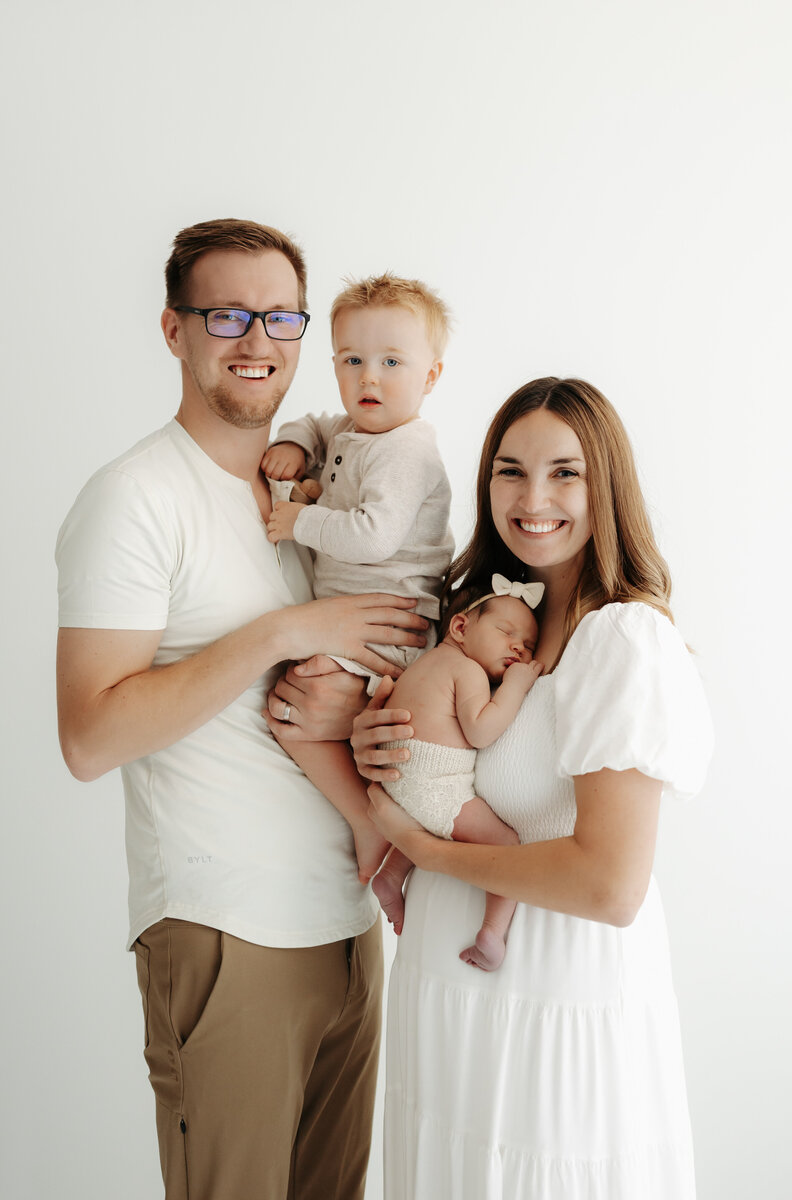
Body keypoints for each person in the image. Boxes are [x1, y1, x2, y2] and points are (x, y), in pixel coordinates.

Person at [55, 218, 430, 1200]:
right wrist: (277, 635)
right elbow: (89, 737)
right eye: (225, 313)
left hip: (347, 929)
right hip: (226, 930)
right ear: (174, 330)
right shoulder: (134, 498)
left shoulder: (311, 491)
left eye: (279, 316)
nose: (255, 340)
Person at [352, 377, 713, 1200]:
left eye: (565, 473)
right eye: (509, 471)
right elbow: (453, 760)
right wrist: (385, 742)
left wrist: (423, 849)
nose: (533, 497)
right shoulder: (480, 619)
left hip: (553, 1003)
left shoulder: (619, 637)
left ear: (607, 486)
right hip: (449, 998)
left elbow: (609, 885)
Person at [262, 273, 454, 882]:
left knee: (292, 712)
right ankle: (372, 818)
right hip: (355, 616)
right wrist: (294, 442)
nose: (368, 377)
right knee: (304, 705)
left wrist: (301, 520)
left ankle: (369, 822)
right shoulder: (353, 427)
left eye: (391, 361)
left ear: (430, 377)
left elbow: (373, 535)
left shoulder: (406, 450)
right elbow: (317, 425)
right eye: (352, 359)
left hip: (391, 622)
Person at [372, 576, 543, 970]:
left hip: (401, 780)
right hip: (433, 782)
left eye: (529, 644)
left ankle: (390, 875)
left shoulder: (426, 663)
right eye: (506, 632)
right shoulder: (468, 671)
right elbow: (482, 731)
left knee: (428, 820)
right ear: (461, 627)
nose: (518, 646)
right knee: (507, 847)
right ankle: (492, 933)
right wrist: (515, 687)